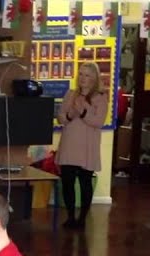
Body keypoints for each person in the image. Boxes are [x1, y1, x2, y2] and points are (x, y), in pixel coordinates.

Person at [55, 62, 107, 229]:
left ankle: (83, 218)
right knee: (67, 182)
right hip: (69, 144)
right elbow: (61, 118)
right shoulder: (70, 94)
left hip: (87, 146)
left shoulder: (100, 97)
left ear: (94, 79)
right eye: (81, 74)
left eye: (87, 75)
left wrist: (84, 112)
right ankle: (70, 216)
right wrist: (71, 114)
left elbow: (98, 122)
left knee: (85, 183)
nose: (83, 78)